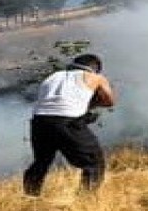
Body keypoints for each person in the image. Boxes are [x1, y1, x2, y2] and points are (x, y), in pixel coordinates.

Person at [22, 53, 116, 196]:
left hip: (40, 122)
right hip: (68, 121)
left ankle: (30, 197)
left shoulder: (53, 77)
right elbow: (109, 101)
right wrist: (91, 104)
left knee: (41, 162)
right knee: (93, 162)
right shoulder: (95, 77)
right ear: (94, 68)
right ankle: (85, 201)